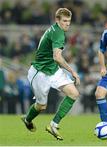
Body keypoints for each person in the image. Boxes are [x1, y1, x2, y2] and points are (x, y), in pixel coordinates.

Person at [21, 8, 80, 140]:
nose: (67, 24)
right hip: (39, 72)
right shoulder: (58, 33)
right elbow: (57, 57)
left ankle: (53, 125)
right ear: (57, 20)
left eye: (69, 21)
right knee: (41, 106)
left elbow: (55, 59)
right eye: (64, 21)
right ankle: (27, 119)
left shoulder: (55, 30)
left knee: (74, 93)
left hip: (53, 70)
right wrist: (72, 71)